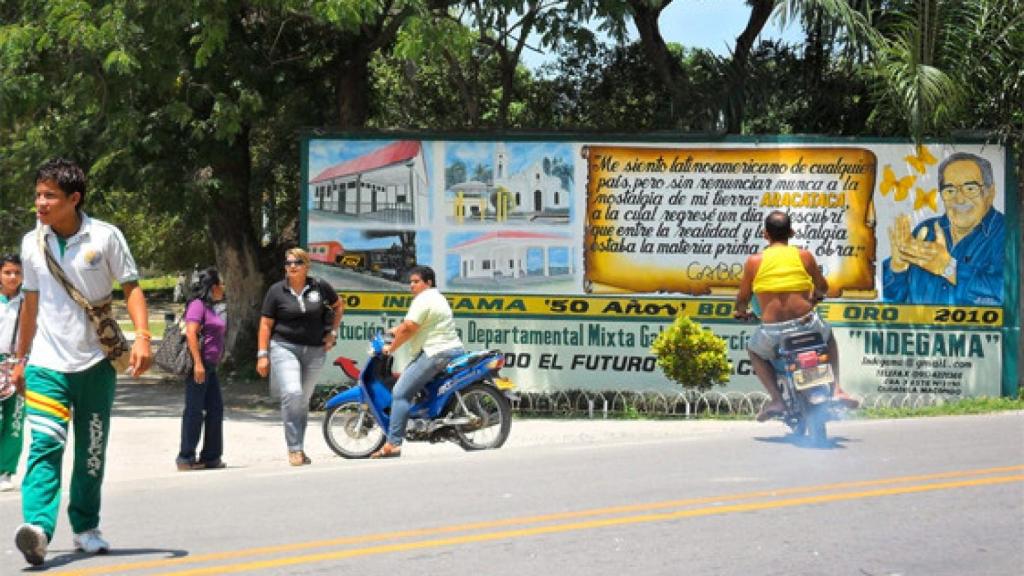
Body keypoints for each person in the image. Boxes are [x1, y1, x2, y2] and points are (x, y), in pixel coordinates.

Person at [10, 158, 153, 567]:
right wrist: (21, 358)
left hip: (94, 364)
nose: (40, 203)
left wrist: (142, 338)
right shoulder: (31, 243)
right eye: (38, 194)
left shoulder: (105, 237)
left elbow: (132, 288)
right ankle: (37, 528)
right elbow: (31, 304)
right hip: (46, 367)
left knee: (91, 450)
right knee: (44, 444)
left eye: (49, 196)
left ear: (73, 199)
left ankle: (87, 527)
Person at [733, 211, 857, 422]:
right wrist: (816, 297)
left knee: (754, 351)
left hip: (773, 331)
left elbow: (743, 298)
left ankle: (776, 400)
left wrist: (740, 311)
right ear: (791, 232)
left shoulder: (754, 262)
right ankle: (836, 389)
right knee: (829, 339)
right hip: (806, 324)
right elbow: (822, 287)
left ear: (765, 235)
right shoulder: (804, 256)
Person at [257, 248, 343, 466]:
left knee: (303, 400)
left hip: (315, 350)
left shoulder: (319, 286)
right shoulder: (276, 291)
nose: (291, 266)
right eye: (288, 263)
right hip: (284, 347)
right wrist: (262, 354)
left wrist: (332, 334)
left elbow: (338, 305)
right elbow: (266, 324)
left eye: (296, 262)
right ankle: (293, 448)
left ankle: (300, 447)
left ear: (306, 265)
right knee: (293, 393)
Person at [882, 152, 1004, 305]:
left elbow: (1008, 294)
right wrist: (897, 268)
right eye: (950, 190)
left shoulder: (1008, 234)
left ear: (990, 193)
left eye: (970, 188)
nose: (959, 199)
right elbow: (889, 302)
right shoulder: (926, 230)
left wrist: (949, 268)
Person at [371, 265, 465, 459]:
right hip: (450, 349)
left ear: (428, 282)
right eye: (410, 282)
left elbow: (410, 328)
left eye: (416, 282)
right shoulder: (437, 297)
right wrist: (392, 331)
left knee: (400, 392)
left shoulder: (423, 300)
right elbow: (411, 325)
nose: (411, 286)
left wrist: (391, 347)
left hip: (435, 352)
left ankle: (393, 443)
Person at [175, 267, 228, 471]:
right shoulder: (197, 306)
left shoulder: (211, 307)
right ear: (214, 286)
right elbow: (191, 333)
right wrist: (197, 363)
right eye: (221, 284)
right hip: (201, 365)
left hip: (211, 367)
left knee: (215, 409)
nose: (223, 288)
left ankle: (211, 457)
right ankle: (185, 457)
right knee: (194, 411)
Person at [0, 254, 25, 492]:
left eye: (17, 273)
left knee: (15, 420)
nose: (12, 277)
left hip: (18, 363)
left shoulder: (28, 302)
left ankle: (5, 472)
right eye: (7, 272)